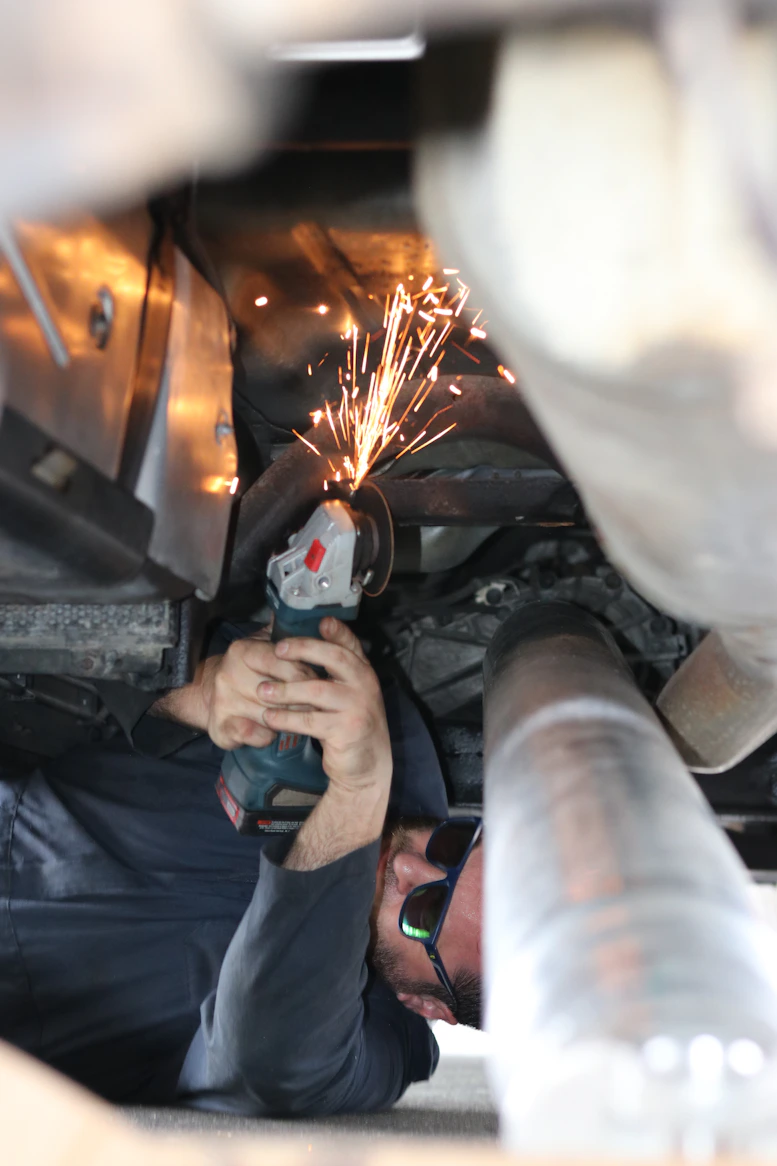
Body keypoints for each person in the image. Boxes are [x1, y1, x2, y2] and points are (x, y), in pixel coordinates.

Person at [0, 617, 483, 1115]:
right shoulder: (383, 733)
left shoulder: (380, 1045)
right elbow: (90, 632)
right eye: (453, 846)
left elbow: (270, 1065)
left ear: (428, 1004)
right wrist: (201, 687)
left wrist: (354, 805)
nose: (407, 864)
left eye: (426, 911)